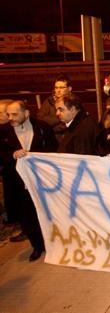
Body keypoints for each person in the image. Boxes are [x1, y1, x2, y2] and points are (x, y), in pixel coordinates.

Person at [0, 100, 57, 261]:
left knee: (47, 212)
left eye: (15, 114)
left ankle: (53, 242)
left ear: (26, 113)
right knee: (27, 216)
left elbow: (52, 149)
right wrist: (12, 155)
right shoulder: (3, 132)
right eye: (8, 114)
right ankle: (38, 246)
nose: (10, 118)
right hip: (18, 183)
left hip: (42, 181)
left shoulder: (42, 128)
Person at [37, 74, 72, 141]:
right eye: (56, 88)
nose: (58, 90)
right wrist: (60, 118)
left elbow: (74, 121)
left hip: (69, 137)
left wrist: (52, 123)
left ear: (69, 89)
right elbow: (40, 119)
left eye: (61, 87)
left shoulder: (74, 102)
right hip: (52, 138)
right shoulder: (48, 101)